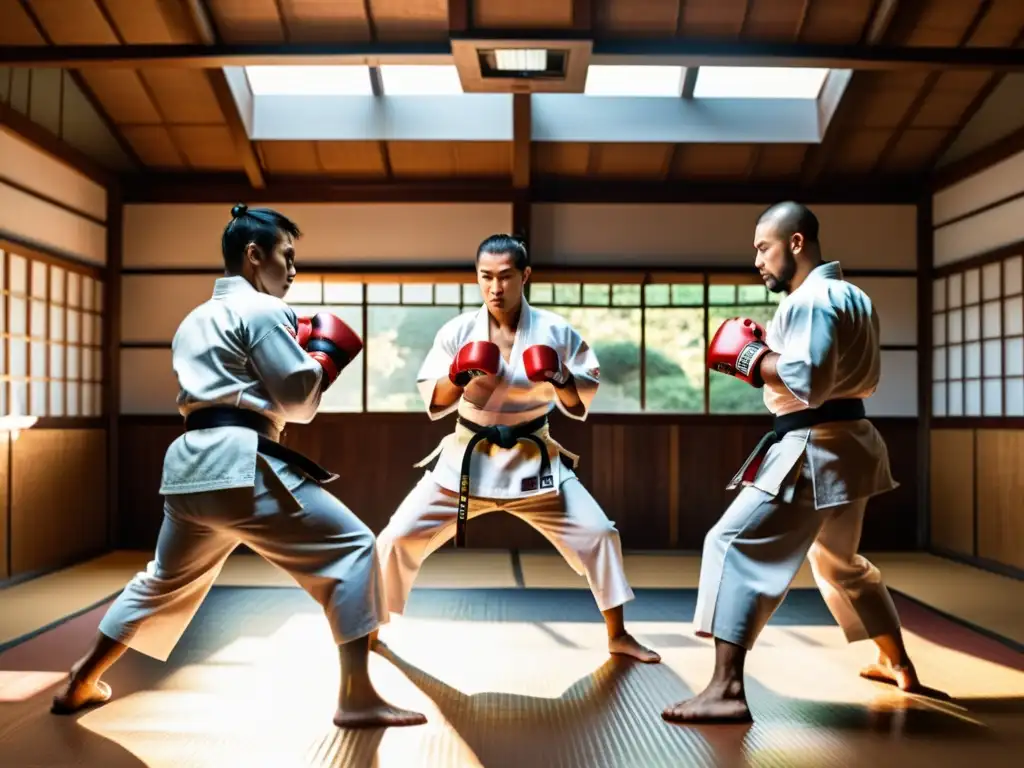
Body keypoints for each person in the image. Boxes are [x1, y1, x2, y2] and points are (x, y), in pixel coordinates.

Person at [51, 204, 426, 729]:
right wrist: (325, 360)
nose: (293, 270)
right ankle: (357, 696)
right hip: (241, 465)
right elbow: (298, 401)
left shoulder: (191, 321)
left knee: (160, 581)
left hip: (189, 470)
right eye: (286, 256)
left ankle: (80, 680)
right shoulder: (265, 311)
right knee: (355, 547)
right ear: (254, 255)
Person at [662, 202, 921, 724]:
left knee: (729, 544)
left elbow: (810, 378)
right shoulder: (855, 297)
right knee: (840, 562)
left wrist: (753, 360)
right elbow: (857, 378)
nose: (757, 260)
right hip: (853, 444)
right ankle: (899, 663)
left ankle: (726, 690)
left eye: (763, 248)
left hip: (812, 446)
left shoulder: (810, 299)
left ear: (796, 243)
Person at [373, 234, 660, 663]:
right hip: (466, 459)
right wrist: (458, 373)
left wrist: (561, 377)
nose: (495, 288)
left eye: (505, 277)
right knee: (395, 537)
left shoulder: (555, 331)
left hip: (534, 459)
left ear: (525, 275)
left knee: (599, 533)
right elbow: (435, 402)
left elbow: (577, 404)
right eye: (485, 277)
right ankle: (370, 630)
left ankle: (618, 634)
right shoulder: (458, 331)